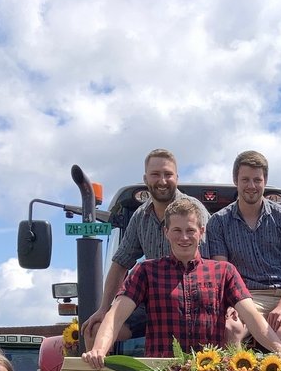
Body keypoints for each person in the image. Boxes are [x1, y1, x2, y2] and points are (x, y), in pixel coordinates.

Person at [81, 198, 281, 365]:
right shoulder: (145, 272)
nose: (184, 237)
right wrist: (99, 349)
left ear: (202, 232)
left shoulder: (224, 272)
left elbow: (252, 317)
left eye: (190, 230)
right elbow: (116, 315)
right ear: (166, 233)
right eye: (177, 231)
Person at [81, 148, 211, 351]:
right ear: (145, 178)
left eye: (168, 174)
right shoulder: (140, 216)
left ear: (177, 177)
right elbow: (120, 263)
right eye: (155, 174)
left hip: (192, 299)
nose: (162, 180)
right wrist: (103, 308)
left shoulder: (194, 211)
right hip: (151, 302)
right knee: (95, 329)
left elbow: (213, 264)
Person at [205, 149, 281, 336]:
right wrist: (229, 304)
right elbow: (221, 272)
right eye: (245, 180)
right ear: (236, 181)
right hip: (243, 297)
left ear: (265, 181)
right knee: (230, 329)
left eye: (257, 180)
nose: (251, 185)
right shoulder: (218, 222)